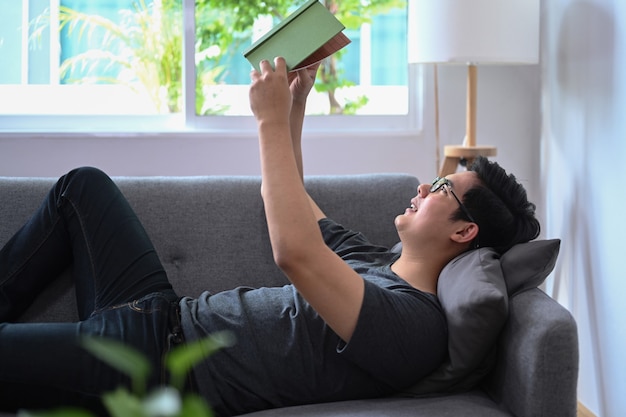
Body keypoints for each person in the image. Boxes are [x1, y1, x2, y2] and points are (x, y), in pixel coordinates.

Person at [0, 57, 540, 416]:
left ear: (464, 230)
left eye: (442, 186)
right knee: (81, 187)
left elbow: (295, 252)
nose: (424, 184)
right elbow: (291, 202)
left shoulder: (414, 325)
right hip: (157, 311)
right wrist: (296, 108)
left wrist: (267, 123)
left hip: (155, 367)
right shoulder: (379, 259)